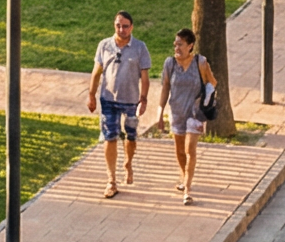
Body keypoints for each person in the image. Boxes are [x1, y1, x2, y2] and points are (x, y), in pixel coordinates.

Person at [87, 11, 150, 198]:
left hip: (131, 100)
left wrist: (143, 99)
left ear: (132, 27)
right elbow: (96, 72)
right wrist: (91, 95)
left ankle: (128, 163)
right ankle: (111, 180)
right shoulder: (104, 45)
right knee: (110, 136)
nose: (121, 29)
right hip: (108, 99)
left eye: (125, 26)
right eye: (118, 26)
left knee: (131, 136)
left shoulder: (140, 47)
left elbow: (145, 77)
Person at [155, 27, 218, 204]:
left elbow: (213, 82)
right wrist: (160, 112)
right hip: (176, 112)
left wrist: (207, 97)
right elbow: (165, 87)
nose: (177, 48)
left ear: (190, 46)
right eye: (175, 44)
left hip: (195, 113)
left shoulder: (201, 63)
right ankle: (184, 177)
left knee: (190, 150)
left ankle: (188, 190)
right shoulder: (170, 64)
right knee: (180, 151)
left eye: (180, 45)